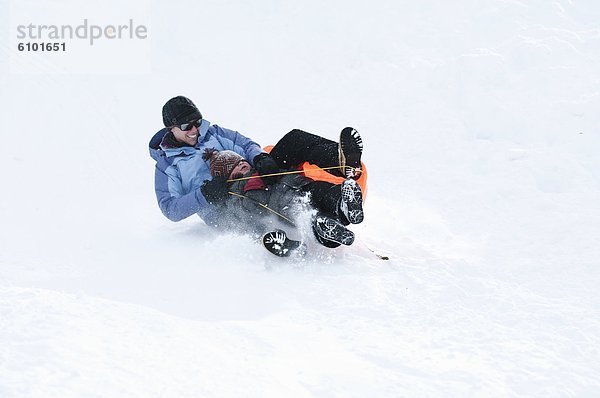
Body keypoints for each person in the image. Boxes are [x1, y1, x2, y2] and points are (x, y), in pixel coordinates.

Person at [201, 148, 364, 252]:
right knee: (310, 218)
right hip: (286, 207)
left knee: (322, 191)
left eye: (241, 161)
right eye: (233, 167)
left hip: (302, 186)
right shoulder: (237, 192)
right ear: (228, 178)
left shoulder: (265, 167)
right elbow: (242, 217)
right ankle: (330, 232)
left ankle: (345, 204)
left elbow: (289, 169)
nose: (241, 164)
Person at [148, 96, 280, 225]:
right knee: (250, 205)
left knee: (293, 141)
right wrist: (205, 194)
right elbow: (170, 208)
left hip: (251, 179)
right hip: (223, 210)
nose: (194, 129)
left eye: (197, 122)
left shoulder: (214, 134)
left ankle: (298, 197)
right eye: (186, 126)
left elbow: (246, 146)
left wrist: (260, 157)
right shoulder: (166, 165)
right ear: (171, 128)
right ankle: (275, 236)